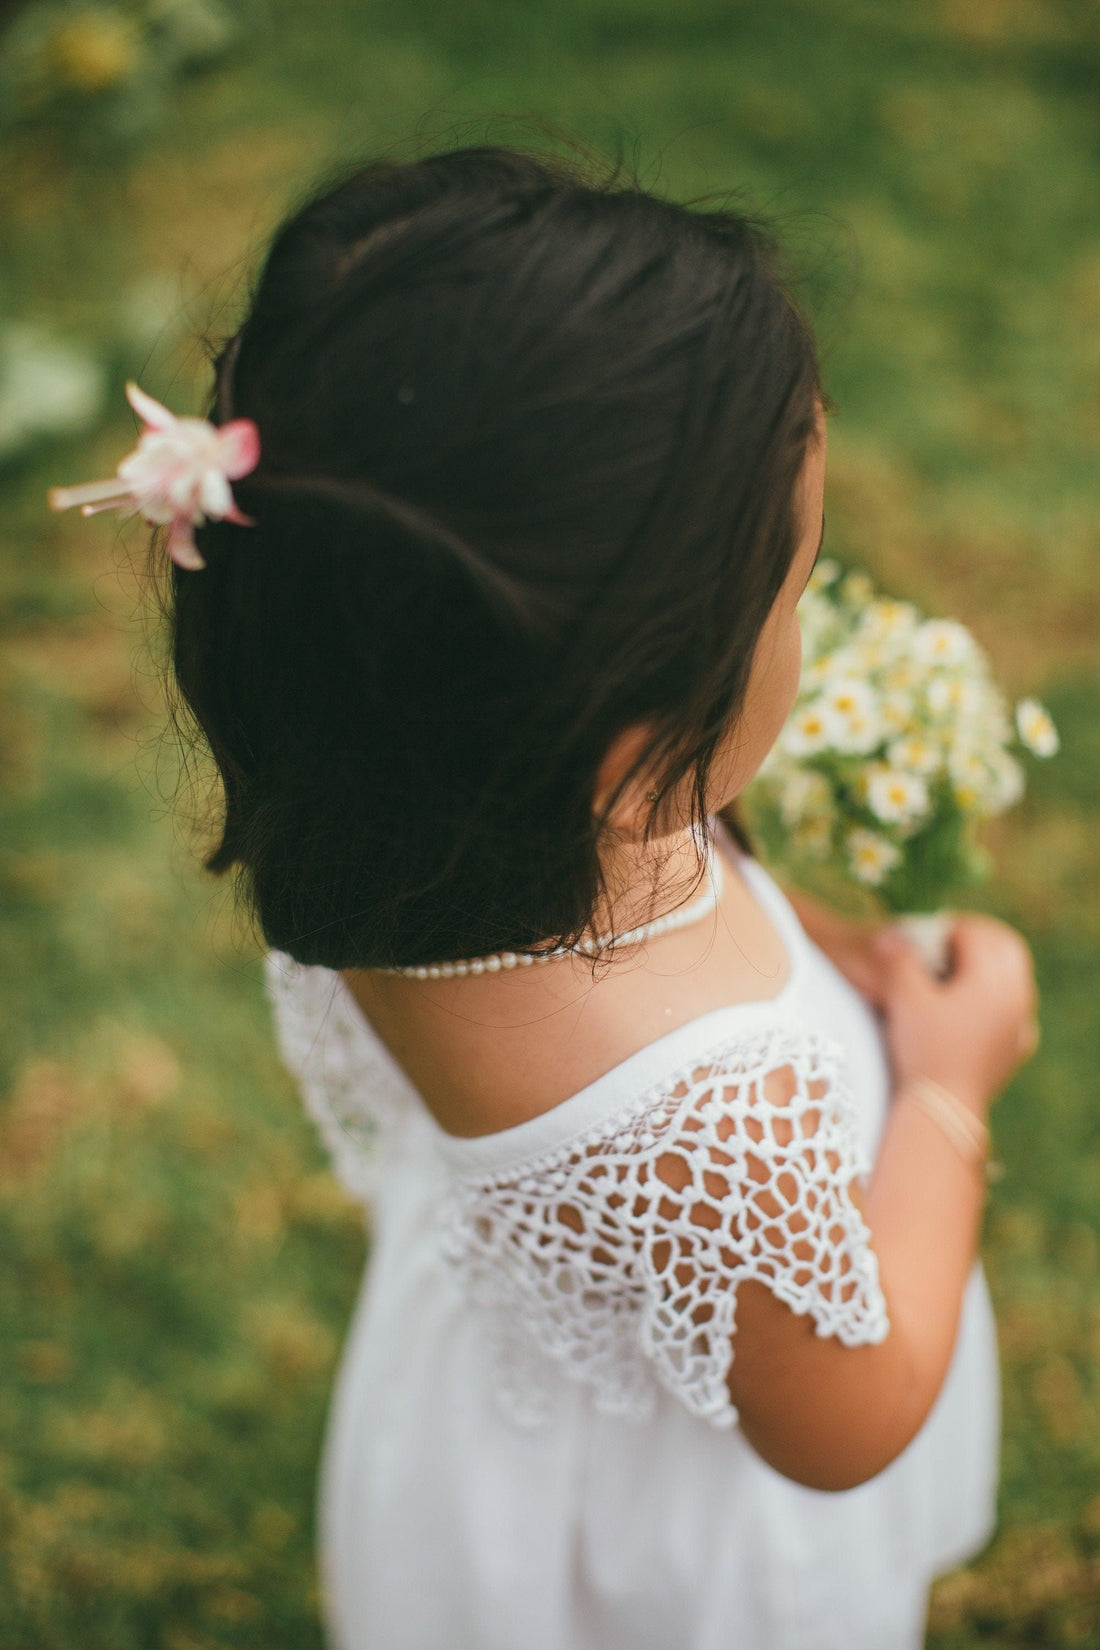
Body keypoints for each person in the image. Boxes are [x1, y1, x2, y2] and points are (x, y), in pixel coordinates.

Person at [55, 144, 1039, 1649]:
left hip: (501, 1446)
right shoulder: (704, 1113)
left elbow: (697, 891)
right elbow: (850, 1409)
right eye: (791, 588)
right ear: (631, 746)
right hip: (673, 1547)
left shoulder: (396, 813)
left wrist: (819, 944)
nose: (801, 611)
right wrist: (949, 1094)